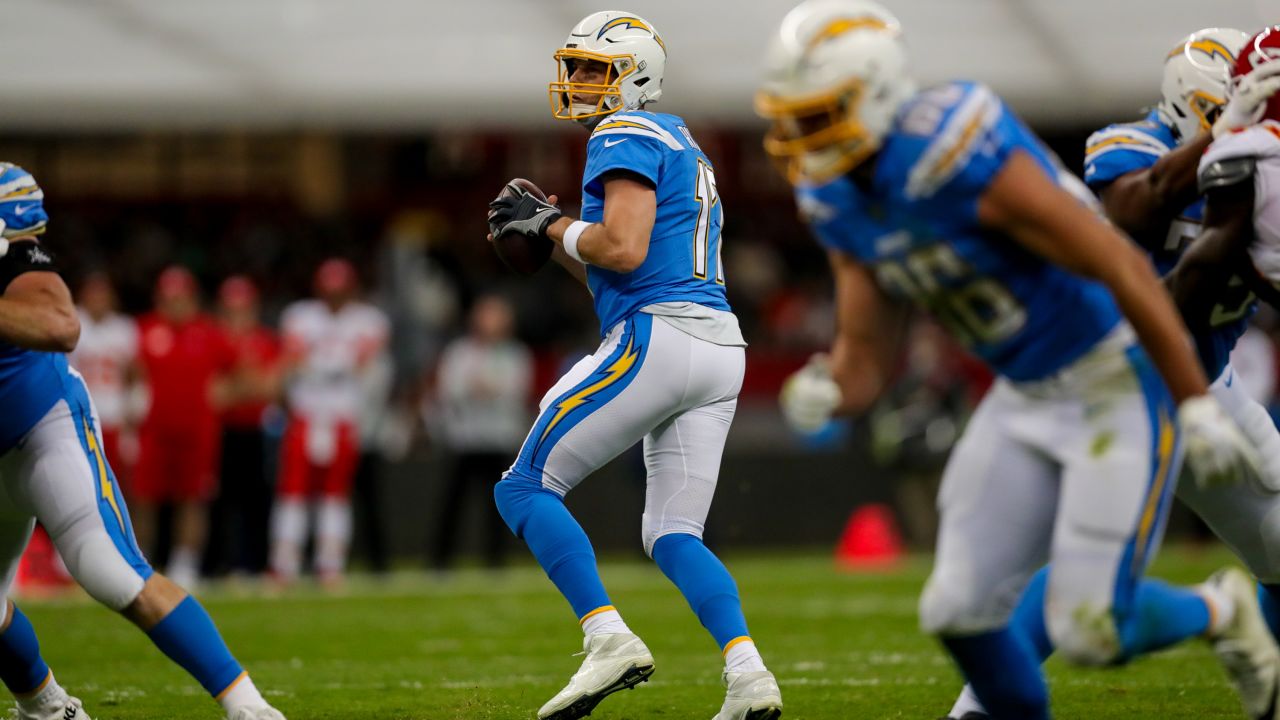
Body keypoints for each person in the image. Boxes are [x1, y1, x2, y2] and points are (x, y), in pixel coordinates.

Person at [755, 3, 1268, 718]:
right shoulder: (833, 195)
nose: (800, 137)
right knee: (956, 610)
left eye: (817, 115)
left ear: (872, 94)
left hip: (1113, 378)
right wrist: (830, 387)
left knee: (1091, 628)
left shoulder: (955, 146)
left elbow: (1116, 263)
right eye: (793, 117)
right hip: (1024, 392)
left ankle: (1219, 611)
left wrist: (1193, 401)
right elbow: (865, 357)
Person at [945, 27, 1280, 720]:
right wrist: (1228, 138)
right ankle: (978, 706)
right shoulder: (1128, 144)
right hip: (1120, 382)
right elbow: (1132, 205)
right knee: (1080, 563)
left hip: (1211, 386)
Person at [486, 11, 782, 720]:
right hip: (716, 346)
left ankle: (607, 638)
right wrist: (557, 235)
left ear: (636, 76)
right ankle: (749, 676)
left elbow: (621, 250)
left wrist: (554, 224)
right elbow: (612, 276)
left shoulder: (625, 131)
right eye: (577, 67)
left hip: (663, 337)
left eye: (596, 69)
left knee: (524, 489)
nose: (580, 82)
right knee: (673, 534)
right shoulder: (681, 139)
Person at [0, 162, 285, 719]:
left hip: (42, 430)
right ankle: (45, 704)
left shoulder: (22, 267)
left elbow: (62, 326)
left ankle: (248, 706)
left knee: (112, 573)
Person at [271, 258, 389, 586]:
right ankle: (285, 563)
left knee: (335, 495)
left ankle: (330, 563)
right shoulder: (299, 316)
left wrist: (321, 365)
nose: (334, 297)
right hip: (305, 415)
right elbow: (294, 362)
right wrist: (331, 366)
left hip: (341, 418)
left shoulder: (368, 320)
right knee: (293, 493)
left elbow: (363, 366)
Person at [134, 265, 234, 589]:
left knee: (193, 498)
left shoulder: (208, 332)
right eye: (168, 298)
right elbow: (128, 372)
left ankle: (185, 562)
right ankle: (141, 558)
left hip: (198, 430)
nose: (174, 304)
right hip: (154, 429)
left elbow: (244, 372)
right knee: (144, 496)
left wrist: (226, 393)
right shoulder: (145, 329)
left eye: (180, 298)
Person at [431, 295, 532, 571]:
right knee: (454, 503)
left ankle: (495, 560)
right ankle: (440, 562)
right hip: (465, 439)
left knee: (498, 505)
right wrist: (476, 390)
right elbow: (449, 390)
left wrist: (484, 389)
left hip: (499, 438)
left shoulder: (515, 353)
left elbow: (515, 391)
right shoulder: (459, 352)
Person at [206, 276, 280, 577]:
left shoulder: (265, 339)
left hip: (255, 430)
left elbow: (270, 388)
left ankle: (255, 561)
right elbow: (214, 395)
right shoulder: (213, 339)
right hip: (221, 430)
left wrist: (237, 382)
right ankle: (217, 563)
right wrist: (246, 380)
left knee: (257, 499)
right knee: (218, 499)